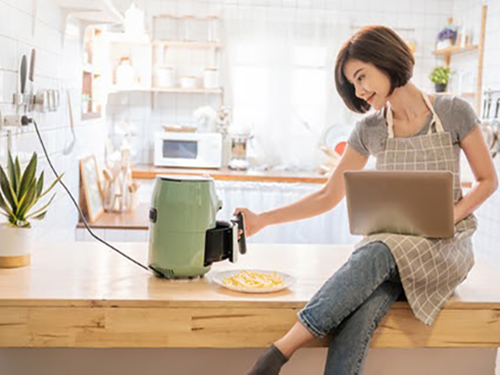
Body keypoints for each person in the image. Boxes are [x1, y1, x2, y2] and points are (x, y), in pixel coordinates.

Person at [236, 25, 498, 375]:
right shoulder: (370, 129)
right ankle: (274, 360)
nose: (360, 91)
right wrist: (262, 219)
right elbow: (329, 195)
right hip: (390, 254)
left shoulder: (453, 112)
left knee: (376, 249)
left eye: (362, 77)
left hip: (442, 248)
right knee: (360, 306)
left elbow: (487, 180)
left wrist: (451, 215)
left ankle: (279, 353)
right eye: (353, 84)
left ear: (386, 60)